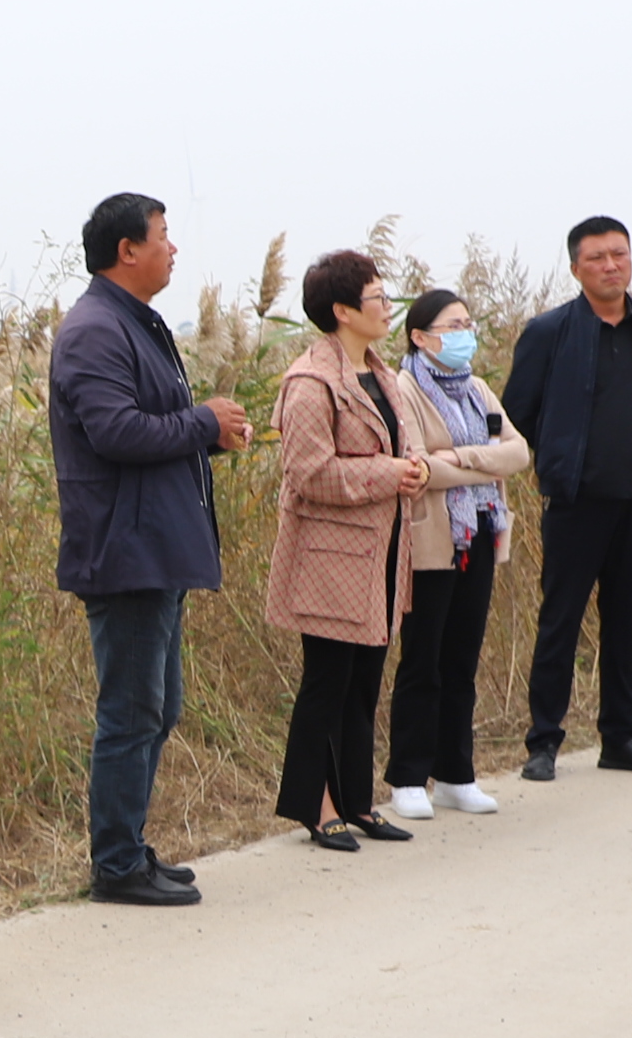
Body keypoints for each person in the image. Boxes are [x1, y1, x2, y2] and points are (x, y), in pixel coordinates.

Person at [50, 192, 249, 906]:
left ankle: (129, 848)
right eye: (164, 236)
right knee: (132, 712)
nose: (173, 248)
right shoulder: (95, 330)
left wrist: (209, 434)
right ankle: (116, 867)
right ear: (127, 250)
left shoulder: (134, 321)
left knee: (156, 710)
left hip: (154, 545)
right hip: (124, 549)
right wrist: (202, 422)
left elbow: (152, 430)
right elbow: (116, 432)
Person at [496, 216, 632, 781]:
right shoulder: (550, 332)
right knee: (561, 620)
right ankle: (544, 741)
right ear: (576, 268)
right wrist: (559, 460)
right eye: (597, 257)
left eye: (619, 254)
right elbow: (516, 412)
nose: (610, 266)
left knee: (625, 623)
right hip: (575, 503)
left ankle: (621, 738)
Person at [263, 249, 427, 850]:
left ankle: (357, 801)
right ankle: (315, 804)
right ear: (342, 310)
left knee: (364, 682)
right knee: (327, 682)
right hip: (330, 560)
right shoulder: (310, 382)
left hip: (381, 550)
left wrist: (411, 469)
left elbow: (390, 450)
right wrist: (390, 474)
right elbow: (308, 473)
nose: (387, 307)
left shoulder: (380, 373)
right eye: (377, 298)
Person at [379, 289, 533, 818]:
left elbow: (518, 452)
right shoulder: (403, 389)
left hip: (481, 533)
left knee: (462, 659)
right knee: (423, 659)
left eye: (468, 323)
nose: (465, 333)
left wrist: (461, 458)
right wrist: (480, 462)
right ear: (420, 337)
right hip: (433, 540)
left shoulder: (477, 388)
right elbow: (421, 468)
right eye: (453, 326)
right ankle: (407, 777)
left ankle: (455, 774)